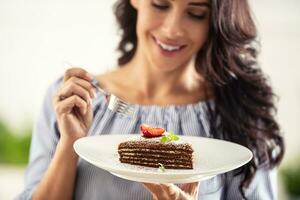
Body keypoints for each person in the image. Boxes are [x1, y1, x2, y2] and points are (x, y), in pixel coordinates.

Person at [18, 0, 285, 199]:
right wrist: (69, 144)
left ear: (215, 19)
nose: (172, 29)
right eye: (160, 4)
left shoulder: (238, 113)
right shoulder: (73, 100)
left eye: (195, 13)